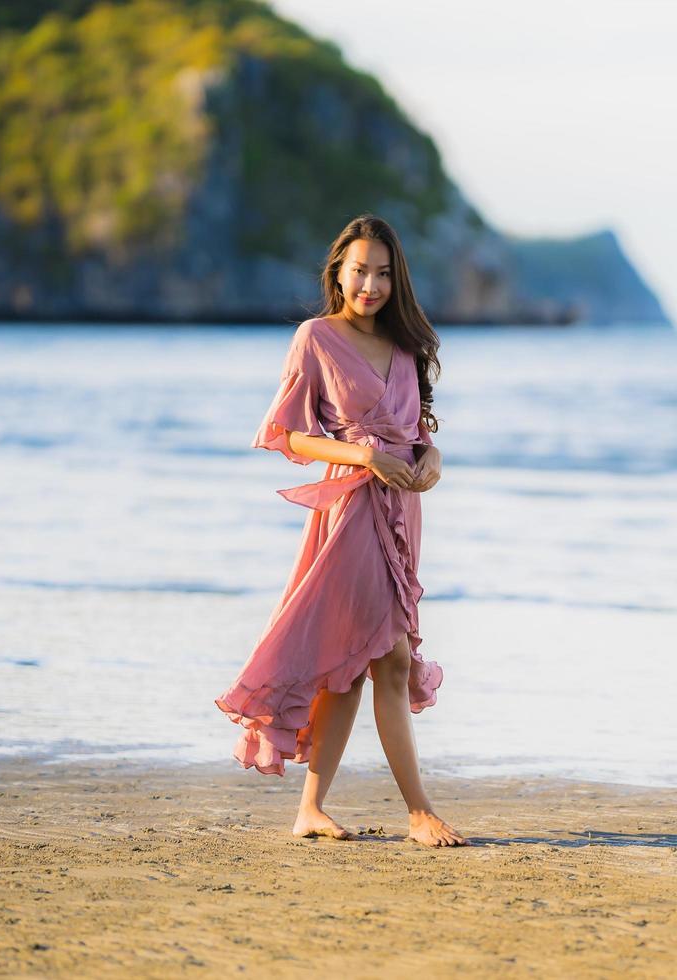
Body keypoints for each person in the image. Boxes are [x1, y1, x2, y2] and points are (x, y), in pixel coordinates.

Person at [214, 214, 467, 847]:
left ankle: (310, 810)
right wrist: (363, 457)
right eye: (360, 271)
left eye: (383, 273)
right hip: (350, 510)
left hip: (403, 512)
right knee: (389, 656)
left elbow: (417, 432)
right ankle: (418, 812)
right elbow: (285, 434)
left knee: (355, 665)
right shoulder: (316, 338)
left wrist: (430, 458)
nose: (371, 285)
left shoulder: (407, 345)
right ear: (338, 273)